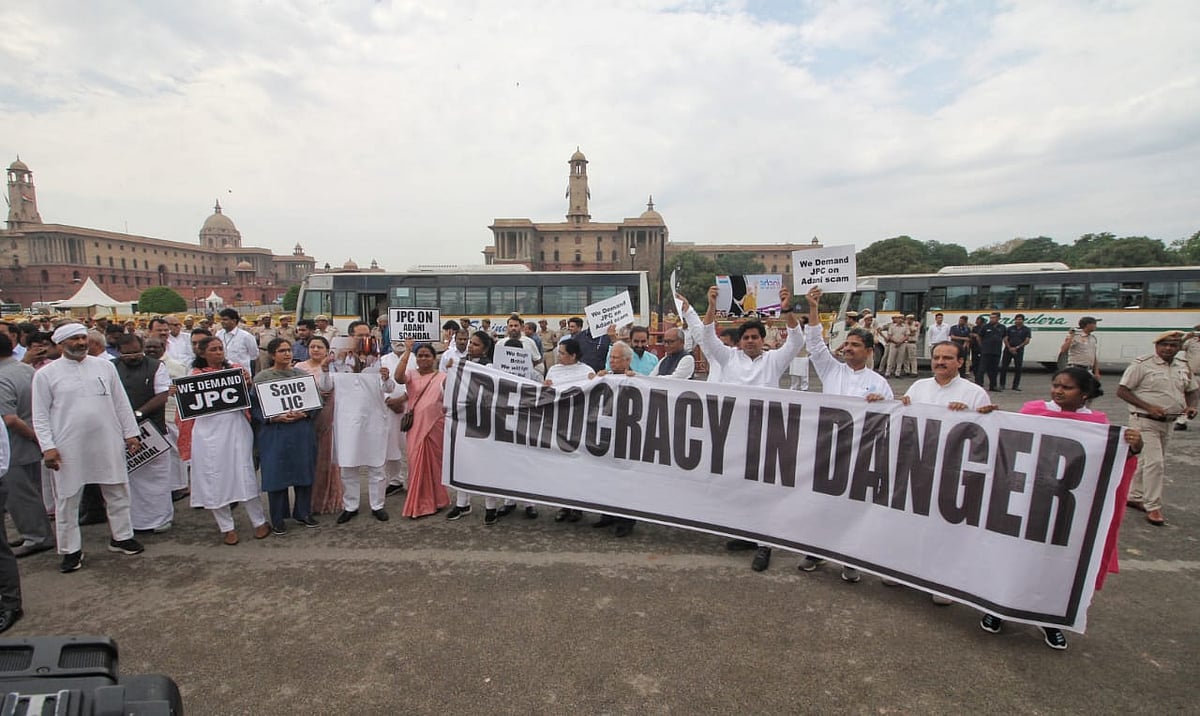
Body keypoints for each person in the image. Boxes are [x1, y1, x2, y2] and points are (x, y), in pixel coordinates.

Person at [979, 367, 1143, 650]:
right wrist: (987, 417)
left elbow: (1111, 467)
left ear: (1085, 394)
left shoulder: (1100, 425)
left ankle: (1051, 619)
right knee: (1017, 557)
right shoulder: (1033, 410)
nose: (1057, 391)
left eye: (1066, 388)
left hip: (1065, 510)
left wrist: (1134, 447)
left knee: (1055, 564)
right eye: (1056, 385)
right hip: (1028, 501)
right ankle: (999, 608)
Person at [682, 284, 804, 572]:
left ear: (763, 340)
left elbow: (796, 341)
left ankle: (765, 544)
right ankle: (746, 534)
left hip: (765, 434)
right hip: (733, 434)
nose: (750, 341)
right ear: (738, 342)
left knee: (764, 489)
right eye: (746, 337)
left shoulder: (775, 360)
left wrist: (787, 309)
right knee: (738, 486)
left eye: (755, 337)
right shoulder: (728, 357)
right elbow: (708, 337)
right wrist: (711, 304)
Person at [32, 323, 145, 572]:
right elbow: (39, 416)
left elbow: (121, 402)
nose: (81, 343)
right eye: (75, 339)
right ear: (62, 343)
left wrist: (131, 434)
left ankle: (122, 536)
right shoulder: (46, 375)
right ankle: (71, 550)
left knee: (117, 489)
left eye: (83, 338)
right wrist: (48, 447)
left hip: (107, 439)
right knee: (68, 497)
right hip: (67, 445)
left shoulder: (105, 367)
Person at [797, 287, 892, 581]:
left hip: (860, 455)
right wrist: (813, 307)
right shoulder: (831, 372)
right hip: (827, 450)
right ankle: (815, 552)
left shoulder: (879, 384)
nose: (848, 348)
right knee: (821, 504)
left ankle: (850, 559)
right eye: (846, 344)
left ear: (868, 349)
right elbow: (814, 345)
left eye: (854, 344)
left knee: (852, 508)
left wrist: (882, 406)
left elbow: (891, 421)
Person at [179, 337, 269, 545]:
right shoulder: (193, 377)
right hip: (206, 432)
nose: (219, 353)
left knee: (244, 473)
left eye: (221, 349)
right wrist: (178, 393)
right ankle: (226, 527)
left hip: (236, 427)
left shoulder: (236, 370)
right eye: (213, 349)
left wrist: (247, 383)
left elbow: (250, 398)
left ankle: (259, 522)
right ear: (202, 353)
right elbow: (187, 409)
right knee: (214, 477)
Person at [1117, 331, 1198, 526]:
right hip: (1144, 421)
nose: (1169, 348)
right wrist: (1148, 407)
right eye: (1165, 345)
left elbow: (1192, 390)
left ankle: (1135, 495)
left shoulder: (1183, 366)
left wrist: (1192, 406)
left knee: (1146, 462)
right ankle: (1153, 506)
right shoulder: (1142, 364)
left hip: (1168, 423)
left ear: (1179, 347)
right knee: (1156, 463)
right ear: (1157, 346)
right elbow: (1122, 390)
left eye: (1173, 345)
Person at [253, 338, 320, 535]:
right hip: (275, 433)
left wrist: (305, 413)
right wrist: (273, 418)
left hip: (301, 431)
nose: (287, 354)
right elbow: (255, 408)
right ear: (273, 355)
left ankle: (303, 512)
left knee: (304, 472)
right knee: (276, 474)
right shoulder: (262, 378)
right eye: (282, 351)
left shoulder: (302, 375)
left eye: (289, 350)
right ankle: (278, 517)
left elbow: (316, 403)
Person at [330, 334, 394, 524]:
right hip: (347, 423)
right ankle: (350, 506)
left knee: (377, 467)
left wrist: (386, 377)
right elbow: (325, 385)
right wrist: (325, 370)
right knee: (348, 467)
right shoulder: (338, 366)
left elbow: (389, 388)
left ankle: (378, 505)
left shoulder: (377, 363)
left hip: (373, 422)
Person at [0, 334, 54, 558]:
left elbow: (10, 419)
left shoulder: (3, 377)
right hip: (32, 439)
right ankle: (34, 531)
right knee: (32, 492)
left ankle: (37, 537)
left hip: (17, 443)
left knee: (19, 494)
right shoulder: (26, 369)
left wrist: (34, 437)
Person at [114, 334, 174, 534]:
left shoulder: (156, 366)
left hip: (152, 429)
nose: (132, 356)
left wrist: (137, 414)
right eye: (127, 353)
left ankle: (160, 519)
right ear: (119, 352)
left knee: (157, 477)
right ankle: (135, 522)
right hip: (121, 431)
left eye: (136, 352)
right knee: (129, 479)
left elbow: (163, 394)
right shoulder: (110, 367)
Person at [397, 341, 450, 519]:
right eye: (420, 355)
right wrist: (407, 352)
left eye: (427, 355)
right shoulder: (411, 374)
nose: (423, 359)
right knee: (415, 462)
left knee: (435, 465)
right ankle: (419, 502)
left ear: (434, 359)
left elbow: (450, 396)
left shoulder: (443, 376)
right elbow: (398, 378)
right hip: (416, 427)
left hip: (435, 426)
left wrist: (454, 370)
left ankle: (437, 500)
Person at [294, 336, 342, 514]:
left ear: (327, 350)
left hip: (328, 415)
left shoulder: (334, 366)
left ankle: (330, 498)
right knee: (309, 458)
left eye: (319, 347)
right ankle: (309, 502)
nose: (315, 350)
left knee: (327, 456)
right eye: (312, 346)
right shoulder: (299, 368)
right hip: (306, 417)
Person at [215, 309, 259, 374]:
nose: (222, 322)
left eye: (225, 319)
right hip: (223, 373)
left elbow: (254, 355)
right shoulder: (218, 334)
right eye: (221, 319)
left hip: (242, 373)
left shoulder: (246, 336)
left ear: (234, 320)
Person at [1176, 323, 1200, 431]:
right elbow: (1177, 347)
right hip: (1193, 374)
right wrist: (1185, 337)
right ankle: (1182, 421)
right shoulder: (1191, 341)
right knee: (1186, 399)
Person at [999, 313, 1032, 391]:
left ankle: (1015, 385)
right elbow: (1005, 339)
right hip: (1008, 350)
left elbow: (1027, 341)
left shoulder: (1026, 329)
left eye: (1020, 319)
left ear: (1023, 320)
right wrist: (1010, 347)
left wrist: (1017, 347)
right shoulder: (1010, 328)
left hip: (1019, 350)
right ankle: (1002, 385)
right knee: (1004, 367)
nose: (1018, 321)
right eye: (1017, 319)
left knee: (1018, 368)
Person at [977, 312, 1005, 391]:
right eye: (991, 318)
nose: (992, 319)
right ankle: (978, 385)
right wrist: (981, 346)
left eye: (994, 318)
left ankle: (993, 386)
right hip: (986, 351)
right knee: (982, 369)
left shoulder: (1002, 327)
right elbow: (979, 336)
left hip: (996, 351)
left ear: (998, 318)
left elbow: (1004, 337)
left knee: (994, 370)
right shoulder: (985, 327)